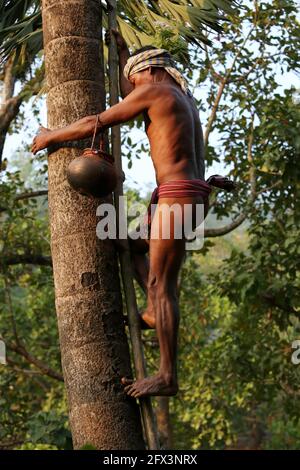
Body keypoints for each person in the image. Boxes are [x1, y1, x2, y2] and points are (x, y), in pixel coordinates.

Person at [31, 30, 234, 398]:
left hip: (178, 197)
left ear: (151, 71)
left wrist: (52, 136)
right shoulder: (181, 97)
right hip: (183, 194)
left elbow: (98, 120)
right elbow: (135, 101)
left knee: (162, 285)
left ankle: (167, 376)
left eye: (134, 78)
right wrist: (122, 49)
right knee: (128, 243)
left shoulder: (155, 90)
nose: (132, 86)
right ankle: (155, 312)